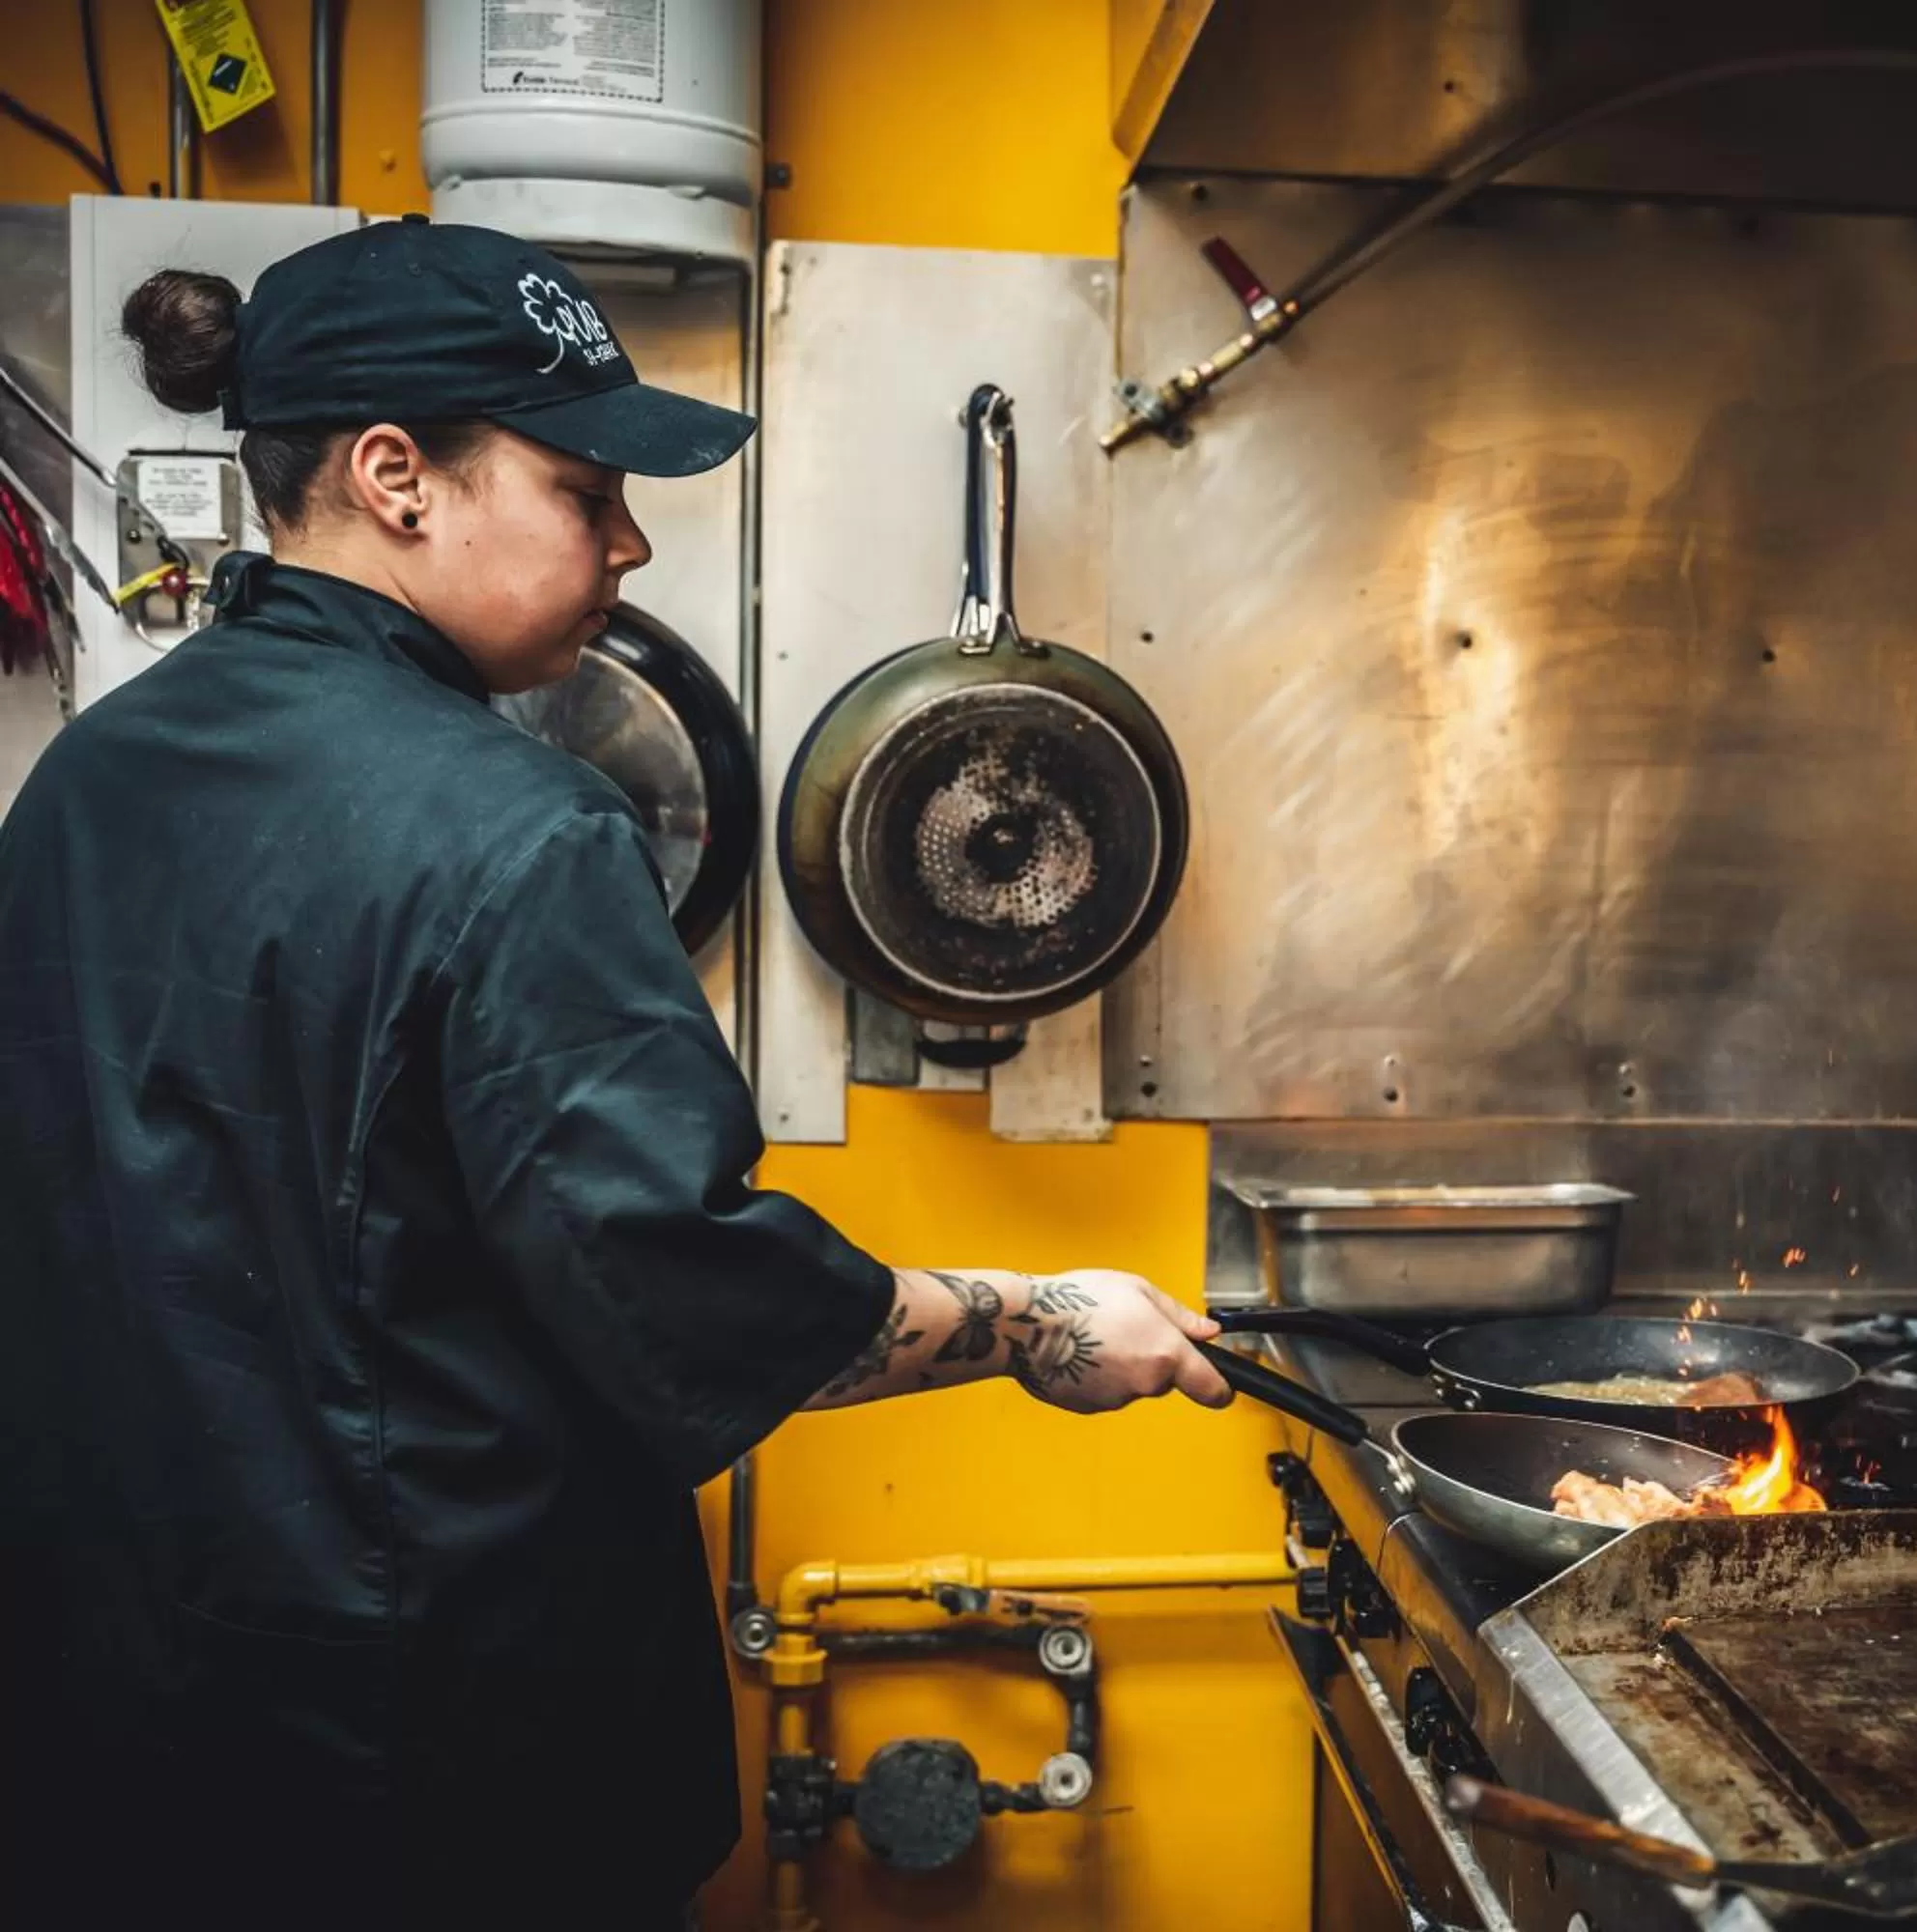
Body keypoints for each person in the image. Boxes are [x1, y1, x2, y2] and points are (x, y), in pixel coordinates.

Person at [0, 218, 1231, 1925]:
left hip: (123, 1738)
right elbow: (687, 1292)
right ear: (394, 475)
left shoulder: (85, 783)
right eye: (587, 489)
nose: (635, 540)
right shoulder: (516, 827)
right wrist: (1037, 1321)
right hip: (433, 1771)